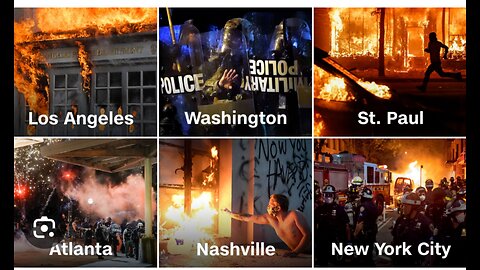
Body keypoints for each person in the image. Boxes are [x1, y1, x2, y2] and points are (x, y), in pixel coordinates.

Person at [224, 194, 311, 258]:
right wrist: (230, 213)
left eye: (270, 204)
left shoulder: (294, 215)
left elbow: (308, 235)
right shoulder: (270, 219)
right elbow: (248, 217)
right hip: (297, 254)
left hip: (310, 253)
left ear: (278, 207)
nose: (268, 207)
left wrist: (295, 252)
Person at [391, 193, 434, 266]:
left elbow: (430, 245)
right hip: (399, 261)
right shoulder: (401, 219)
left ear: (414, 207)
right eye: (403, 205)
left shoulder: (424, 222)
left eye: (406, 206)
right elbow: (395, 237)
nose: (403, 208)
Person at [314, 185, 350, 266]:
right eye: (326, 194)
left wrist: (348, 242)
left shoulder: (340, 209)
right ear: (323, 195)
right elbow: (314, 226)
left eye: (330, 194)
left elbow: (346, 226)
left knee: (337, 264)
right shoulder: (319, 209)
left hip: (336, 242)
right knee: (323, 263)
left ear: (334, 195)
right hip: (322, 244)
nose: (328, 197)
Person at [353, 187, 379, 266]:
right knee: (369, 255)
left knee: (361, 258)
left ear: (363, 197)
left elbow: (360, 223)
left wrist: (354, 235)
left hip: (363, 237)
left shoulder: (362, 207)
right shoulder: (374, 206)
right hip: (372, 234)